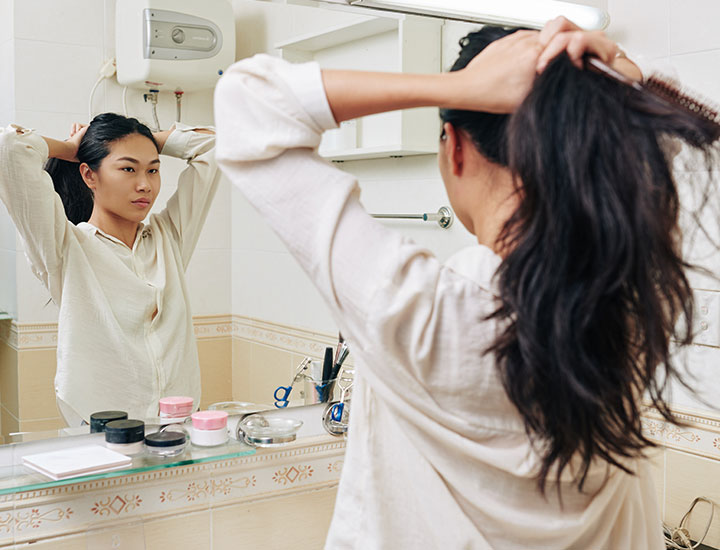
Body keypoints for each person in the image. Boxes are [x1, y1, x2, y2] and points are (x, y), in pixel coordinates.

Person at [214, 16, 719, 550]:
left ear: (454, 146)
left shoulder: (426, 311)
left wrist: (458, 88)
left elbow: (246, 104)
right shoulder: (631, 300)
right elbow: (652, 150)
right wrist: (614, 74)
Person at [0, 113, 220, 424]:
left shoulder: (169, 237)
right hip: (97, 426)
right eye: (128, 168)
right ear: (89, 175)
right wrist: (71, 147)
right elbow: (9, 146)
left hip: (176, 422)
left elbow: (215, 146)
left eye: (153, 170)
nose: (145, 185)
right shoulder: (64, 247)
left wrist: (141, 140)